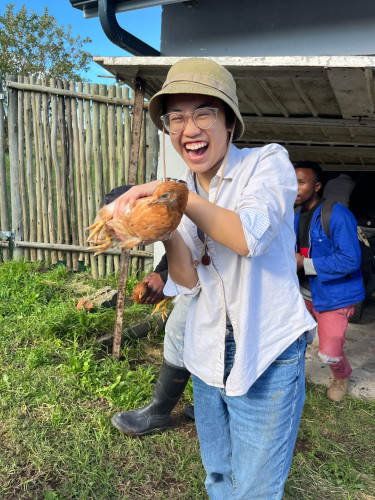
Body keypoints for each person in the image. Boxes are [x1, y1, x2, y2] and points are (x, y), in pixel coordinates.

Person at [111, 58, 315, 499]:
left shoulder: (267, 163)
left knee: (256, 487)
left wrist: (175, 199)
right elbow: (186, 279)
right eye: (177, 117)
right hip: (206, 351)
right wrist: (161, 230)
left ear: (229, 122)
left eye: (203, 112)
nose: (189, 128)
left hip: (267, 350)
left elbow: (248, 237)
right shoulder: (180, 188)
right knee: (219, 474)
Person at [105, 186, 194, 435]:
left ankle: (157, 415)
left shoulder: (179, 210)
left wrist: (166, 278)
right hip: (211, 283)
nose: (121, 237)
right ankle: (216, 405)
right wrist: (160, 274)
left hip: (234, 288)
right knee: (197, 339)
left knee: (182, 333)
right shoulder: (168, 214)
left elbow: (200, 251)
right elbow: (177, 245)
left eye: (122, 228)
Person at [294, 161, 365, 402]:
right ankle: (291, 377)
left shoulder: (336, 214)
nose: (294, 188)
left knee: (330, 351)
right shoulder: (293, 216)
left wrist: (305, 263)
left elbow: (350, 259)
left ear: (317, 186)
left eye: (301, 182)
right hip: (302, 294)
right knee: (292, 340)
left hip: (334, 297)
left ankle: (341, 375)